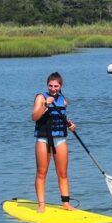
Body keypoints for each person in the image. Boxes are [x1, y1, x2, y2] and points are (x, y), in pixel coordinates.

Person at [32, 72, 76, 213]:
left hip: (60, 139)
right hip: (43, 139)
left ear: (60, 86)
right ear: (47, 85)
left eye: (56, 86)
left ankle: (66, 204)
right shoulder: (40, 97)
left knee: (63, 173)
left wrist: (69, 124)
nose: (53, 88)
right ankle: (41, 205)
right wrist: (45, 105)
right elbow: (34, 117)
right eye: (50, 86)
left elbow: (61, 118)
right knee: (41, 172)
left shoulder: (63, 100)